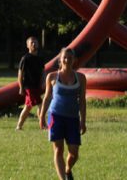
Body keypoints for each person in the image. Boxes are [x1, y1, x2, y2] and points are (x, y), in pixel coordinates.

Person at [38, 47, 87, 180]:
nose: (67, 60)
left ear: (74, 60)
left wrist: (83, 121)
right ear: (60, 59)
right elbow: (47, 97)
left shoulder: (81, 78)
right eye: (64, 57)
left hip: (73, 118)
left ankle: (67, 169)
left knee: (74, 152)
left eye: (70, 58)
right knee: (58, 150)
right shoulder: (52, 76)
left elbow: (82, 101)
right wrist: (42, 116)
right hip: (55, 116)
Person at [15, 36, 46, 130]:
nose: (34, 44)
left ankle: (19, 126)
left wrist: (43, 82)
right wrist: (21, 87)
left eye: (35, 42)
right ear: (27, 45)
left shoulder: (40, 59)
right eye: (31, 43)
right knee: (41, 105)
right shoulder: (25, 58)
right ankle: (43, 125)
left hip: (37, 86)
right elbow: (20, 74)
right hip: (29, 87)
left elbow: (43, 72)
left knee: (28, 107)